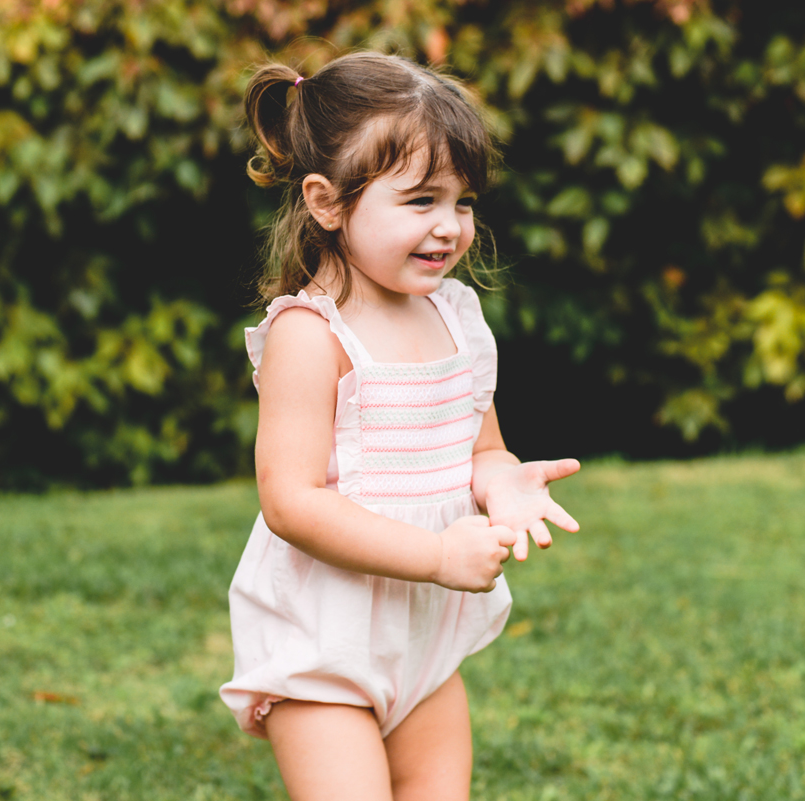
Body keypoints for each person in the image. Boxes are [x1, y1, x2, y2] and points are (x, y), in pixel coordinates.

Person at [219, 51, 580, 801]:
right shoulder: (311, 336)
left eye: (463, 201)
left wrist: (506, 483)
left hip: (422, 640)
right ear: (326, 201)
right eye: (421, 200)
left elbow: (481, 446)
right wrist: (438, 553)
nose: (450, 226)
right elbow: (290, 501)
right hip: (326, 640)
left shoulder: (456, 316)